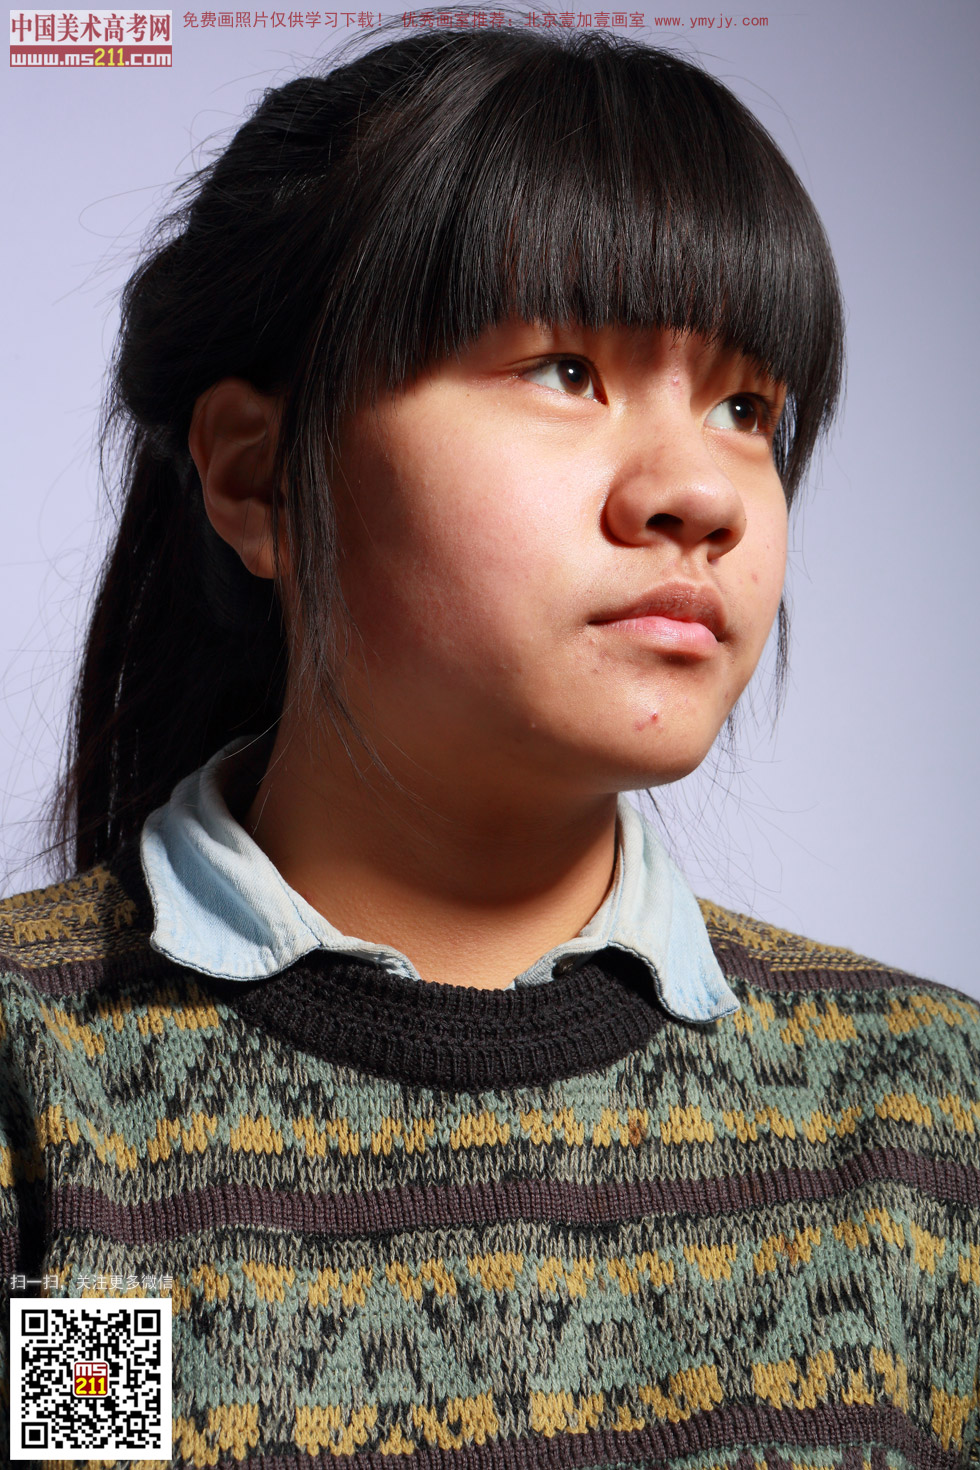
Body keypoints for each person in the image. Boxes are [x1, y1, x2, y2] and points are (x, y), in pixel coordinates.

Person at [2, 18, 979, 1470]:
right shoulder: (51, 1109)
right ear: (259, 478)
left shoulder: (922, 1119)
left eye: (747, 407)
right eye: (565, 369)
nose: (700, 493)